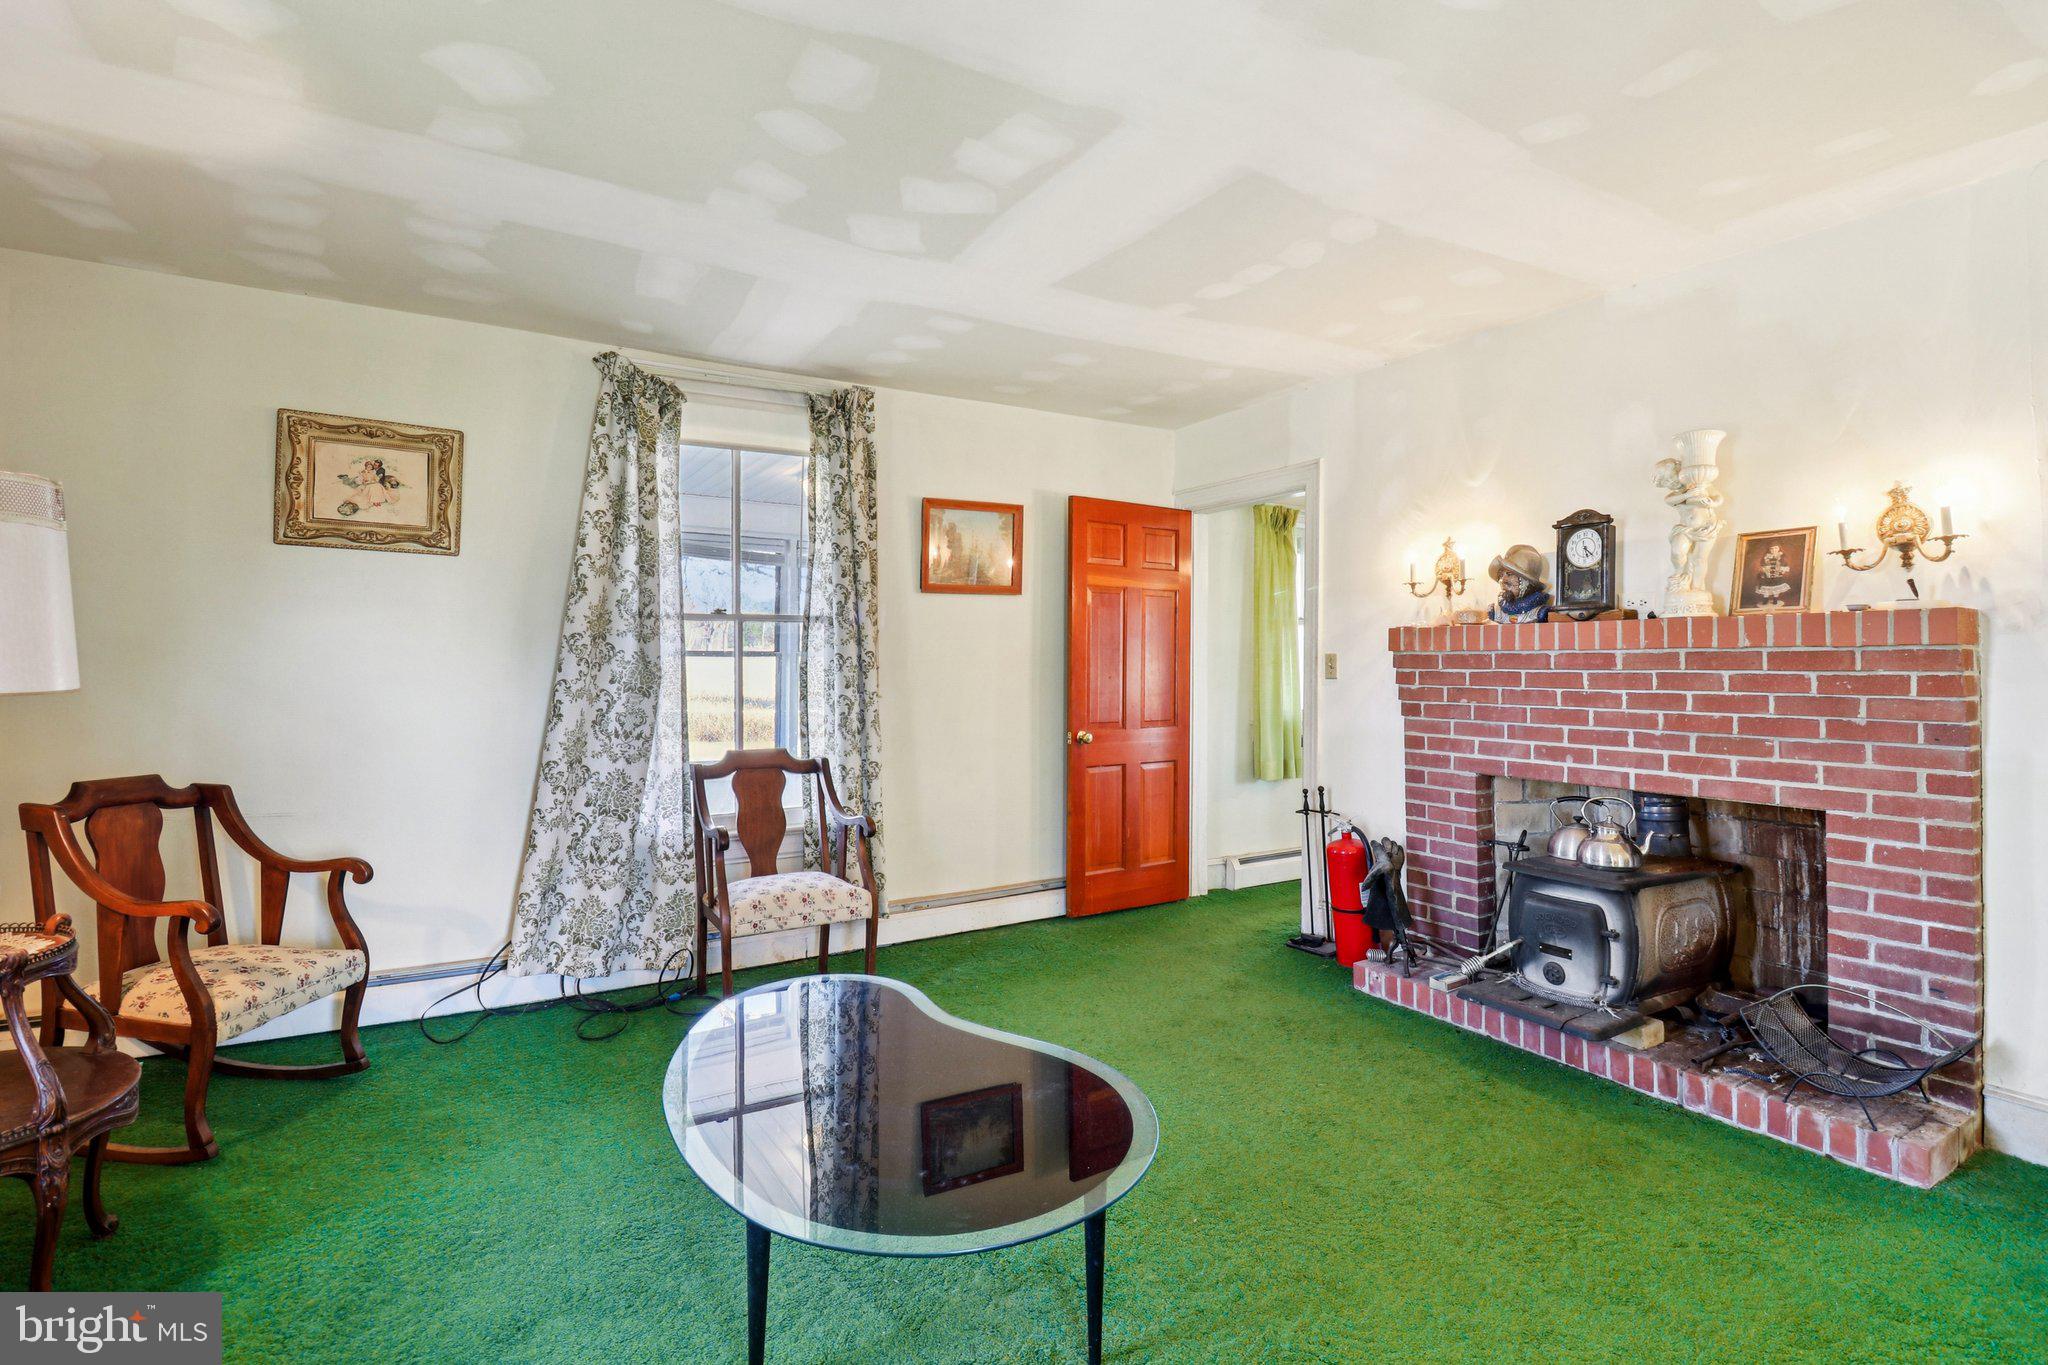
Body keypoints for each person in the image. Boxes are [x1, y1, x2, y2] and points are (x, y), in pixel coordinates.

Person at [1488, 544, 1551, 623]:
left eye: (1509, 574)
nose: (1502, 580)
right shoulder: (1496, 612)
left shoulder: (1538, 613)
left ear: (1526, 582)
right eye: (1501, 575)